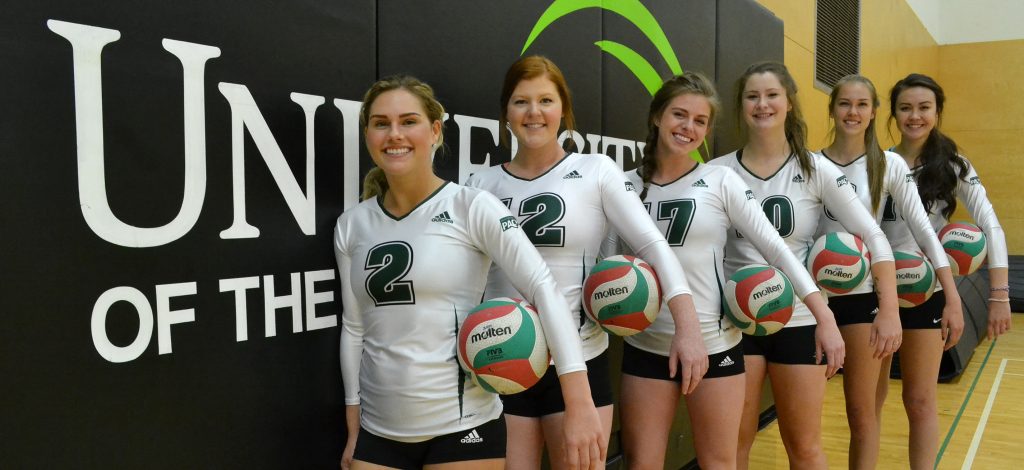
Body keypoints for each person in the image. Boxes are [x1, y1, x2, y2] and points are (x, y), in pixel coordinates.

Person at [334, 75, 603, 470]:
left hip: (464, 428)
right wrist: (354, 424)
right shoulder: (351, 225)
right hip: (378, 432)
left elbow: (543, 286)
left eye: (408, 121)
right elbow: (354, 328)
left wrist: (578, 400)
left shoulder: (472, 206)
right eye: (380, 123)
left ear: (435, 130)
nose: (394, 134)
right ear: (368, 133)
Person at [465, 56, 707, 470]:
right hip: (502, 357)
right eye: (522, 102)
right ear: (506, 111)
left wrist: (688, 327)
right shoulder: (479, 184)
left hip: (578, 362)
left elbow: (653, 244)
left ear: (563, 109)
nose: (534, 112)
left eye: (546, 100)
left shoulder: (595, 170)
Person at [613, 71, 839, 470]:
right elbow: (606, 266)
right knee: (641, 463)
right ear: (656, 117)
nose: (688, 127)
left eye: (700, 121)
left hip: (715, 345)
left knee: (720, 462)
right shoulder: (623, 186)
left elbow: (776, 250)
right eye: (679, 115)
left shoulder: (719, 180)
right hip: (646, 347)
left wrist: (824, 316)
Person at [708, 61, 899, 470]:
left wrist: (890, 308)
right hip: (734, 323)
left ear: (789, 103)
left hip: (799, 321)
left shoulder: (815, 170)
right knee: (732, 446)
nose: (762, 104)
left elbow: (875, 237)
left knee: (805, 447)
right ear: (741, 106)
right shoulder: (717, 171)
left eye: (771, 95)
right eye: (752, 96)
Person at [817, 74, 959, 470]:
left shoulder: (888, 163)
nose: (853, 112)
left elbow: (924, 230)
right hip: (820, 302)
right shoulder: (810, 164)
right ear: (832, 109)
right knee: (823, 418)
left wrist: (953, 296)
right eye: (845, 103)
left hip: (867, 297)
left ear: (875, 112)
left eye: (862, 104)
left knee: (862, 414)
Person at [884, 72, 1011, 469]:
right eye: (905, 108)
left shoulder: (954, 165)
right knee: (868, 401)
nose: (915, 116)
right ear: (893, 113)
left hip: (929, 292)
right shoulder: (877, 163)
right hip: (880, 293)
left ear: (938, 111)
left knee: (919, 399)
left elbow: (989, 224)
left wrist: (999, 294)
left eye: (924, 108)